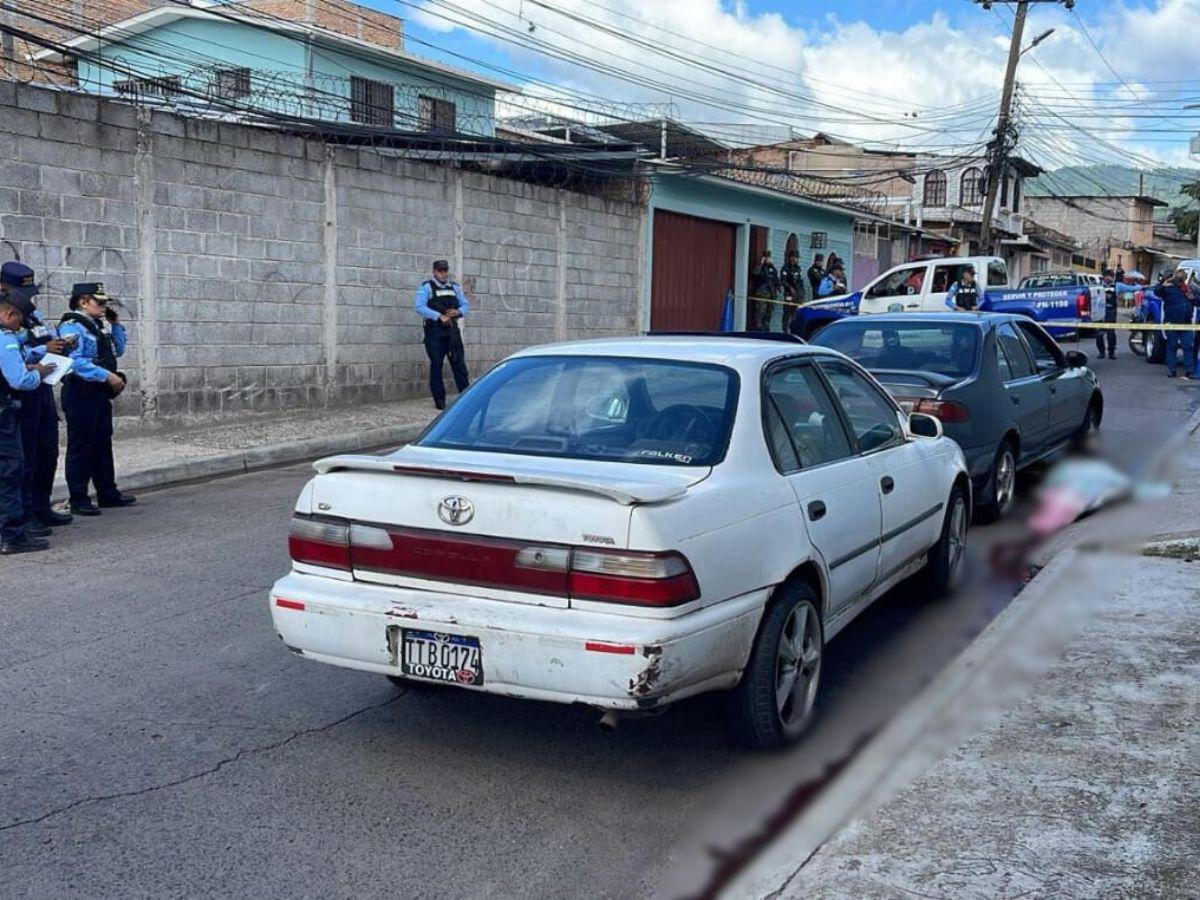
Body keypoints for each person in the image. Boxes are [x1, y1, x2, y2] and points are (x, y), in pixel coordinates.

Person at [1, 262, 73, 535]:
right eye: (23, 290)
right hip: (20, 393)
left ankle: (41, 506)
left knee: (47, 449)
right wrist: (42, 350)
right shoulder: (6, 316)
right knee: (24, 456)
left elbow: (48, 334)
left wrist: (60, 344)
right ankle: (24, 514)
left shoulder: (31, 313)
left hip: (42, 386)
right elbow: (14, 354)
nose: (28, 297)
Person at [58, 283, 134, 515]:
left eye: (104, 303)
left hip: (99, 392)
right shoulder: (71, 327)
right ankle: (79, 498)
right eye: (99, 302)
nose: (103, 307)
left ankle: (107, 492)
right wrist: (107, 376)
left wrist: (116, 324)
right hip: (81, 391)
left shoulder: (98, 326)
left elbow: (118, 351)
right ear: (83, 302)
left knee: (102, 442)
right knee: (81, 446)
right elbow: (75, 361)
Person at [1, 293, 56, 554]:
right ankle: (12, 537)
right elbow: (19, 380)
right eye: (19, 321)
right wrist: (38, 373)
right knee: (10, 472)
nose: (20, 327)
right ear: (9, 315)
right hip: (4, 416)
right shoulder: (5, 339)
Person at [415, 259, 471, 410]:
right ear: (434, 272)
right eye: (440, 270)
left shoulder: (454, 287)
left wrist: (458, 312)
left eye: (445, 270)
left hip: (452, 332)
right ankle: (439, 401)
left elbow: (466, 305)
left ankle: (466, 398)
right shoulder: (426, 287)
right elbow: (419, 307)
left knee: (459, 365)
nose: (443, 273)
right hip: (435, 332)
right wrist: (439, 316)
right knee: (437, 365)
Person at [1156, 271, 1195, 379]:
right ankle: (1172, 371)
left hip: (1186, 324)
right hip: (1171, 323)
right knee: (1172, 346)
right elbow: (1156, 291)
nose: (1180, 280)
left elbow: (1197, 301)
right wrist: (1164, 283)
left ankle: (1188, 371)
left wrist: (1193, 298)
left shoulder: (1188, 289)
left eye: (1182, 278)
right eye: (1178, 278)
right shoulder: (1167, 289)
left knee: (1187, 346)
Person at [750, 250, 779, 331]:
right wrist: (760, 263)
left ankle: (766, 330)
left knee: (768, 315)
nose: (767, 259)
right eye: (766, 257)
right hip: (761, 295)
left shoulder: (772, 268)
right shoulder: (759, 267)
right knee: (760, 314)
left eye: (769, 257)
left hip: (770, 295)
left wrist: (778, 286)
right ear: (763, 258)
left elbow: (776, 279)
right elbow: (754, 273)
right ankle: (758, 331)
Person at [1093, 270, 1118, 360]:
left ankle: (1111, 353)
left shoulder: (1116, 285)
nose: (1110, 279)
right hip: (1100, 310)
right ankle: (1101, 352)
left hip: (1111, 311)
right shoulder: (1098, 285)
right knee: (1099, 333)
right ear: (1106, 276)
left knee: (1111, 333)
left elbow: (1128, 288)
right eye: (1110, 276)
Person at [779, 250, 803, 333]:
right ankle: (785, 331)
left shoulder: (798, 269)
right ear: (790, 258)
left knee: (795, 314)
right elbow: (783, 280)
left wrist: (801, 294)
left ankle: (793, 331)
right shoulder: (785, 268)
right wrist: (790, 288)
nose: (794, 259)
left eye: (796, 258)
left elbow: (800, 282)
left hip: (797, 295)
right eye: (793, 257)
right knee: (787, 313)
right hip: (788, 294)